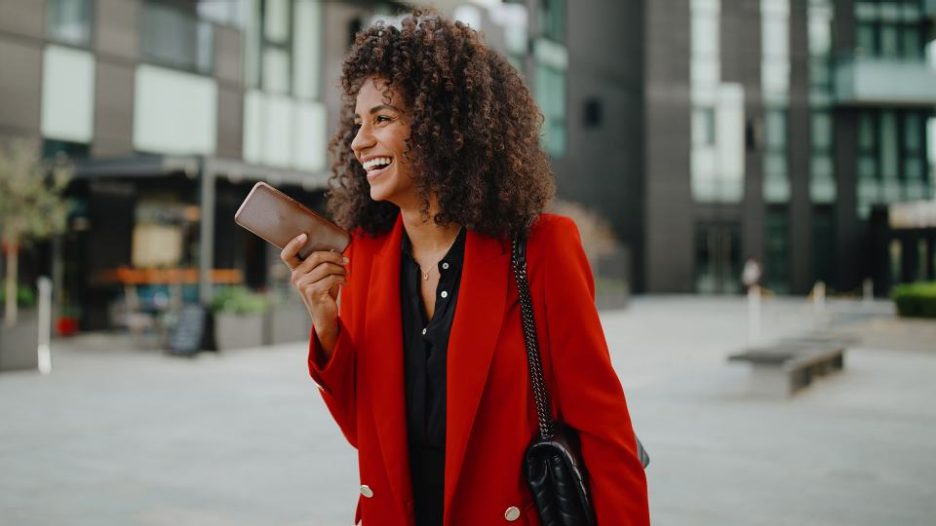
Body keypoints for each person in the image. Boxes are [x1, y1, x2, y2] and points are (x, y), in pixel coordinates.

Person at [280, 10, 649, 526]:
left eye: (382, 118)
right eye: (358, 122)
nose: (359, 141)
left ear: (443, 126)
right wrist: (326, 327)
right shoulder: (364, 254)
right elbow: (367, 437)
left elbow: (606, 437)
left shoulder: (541, 249)